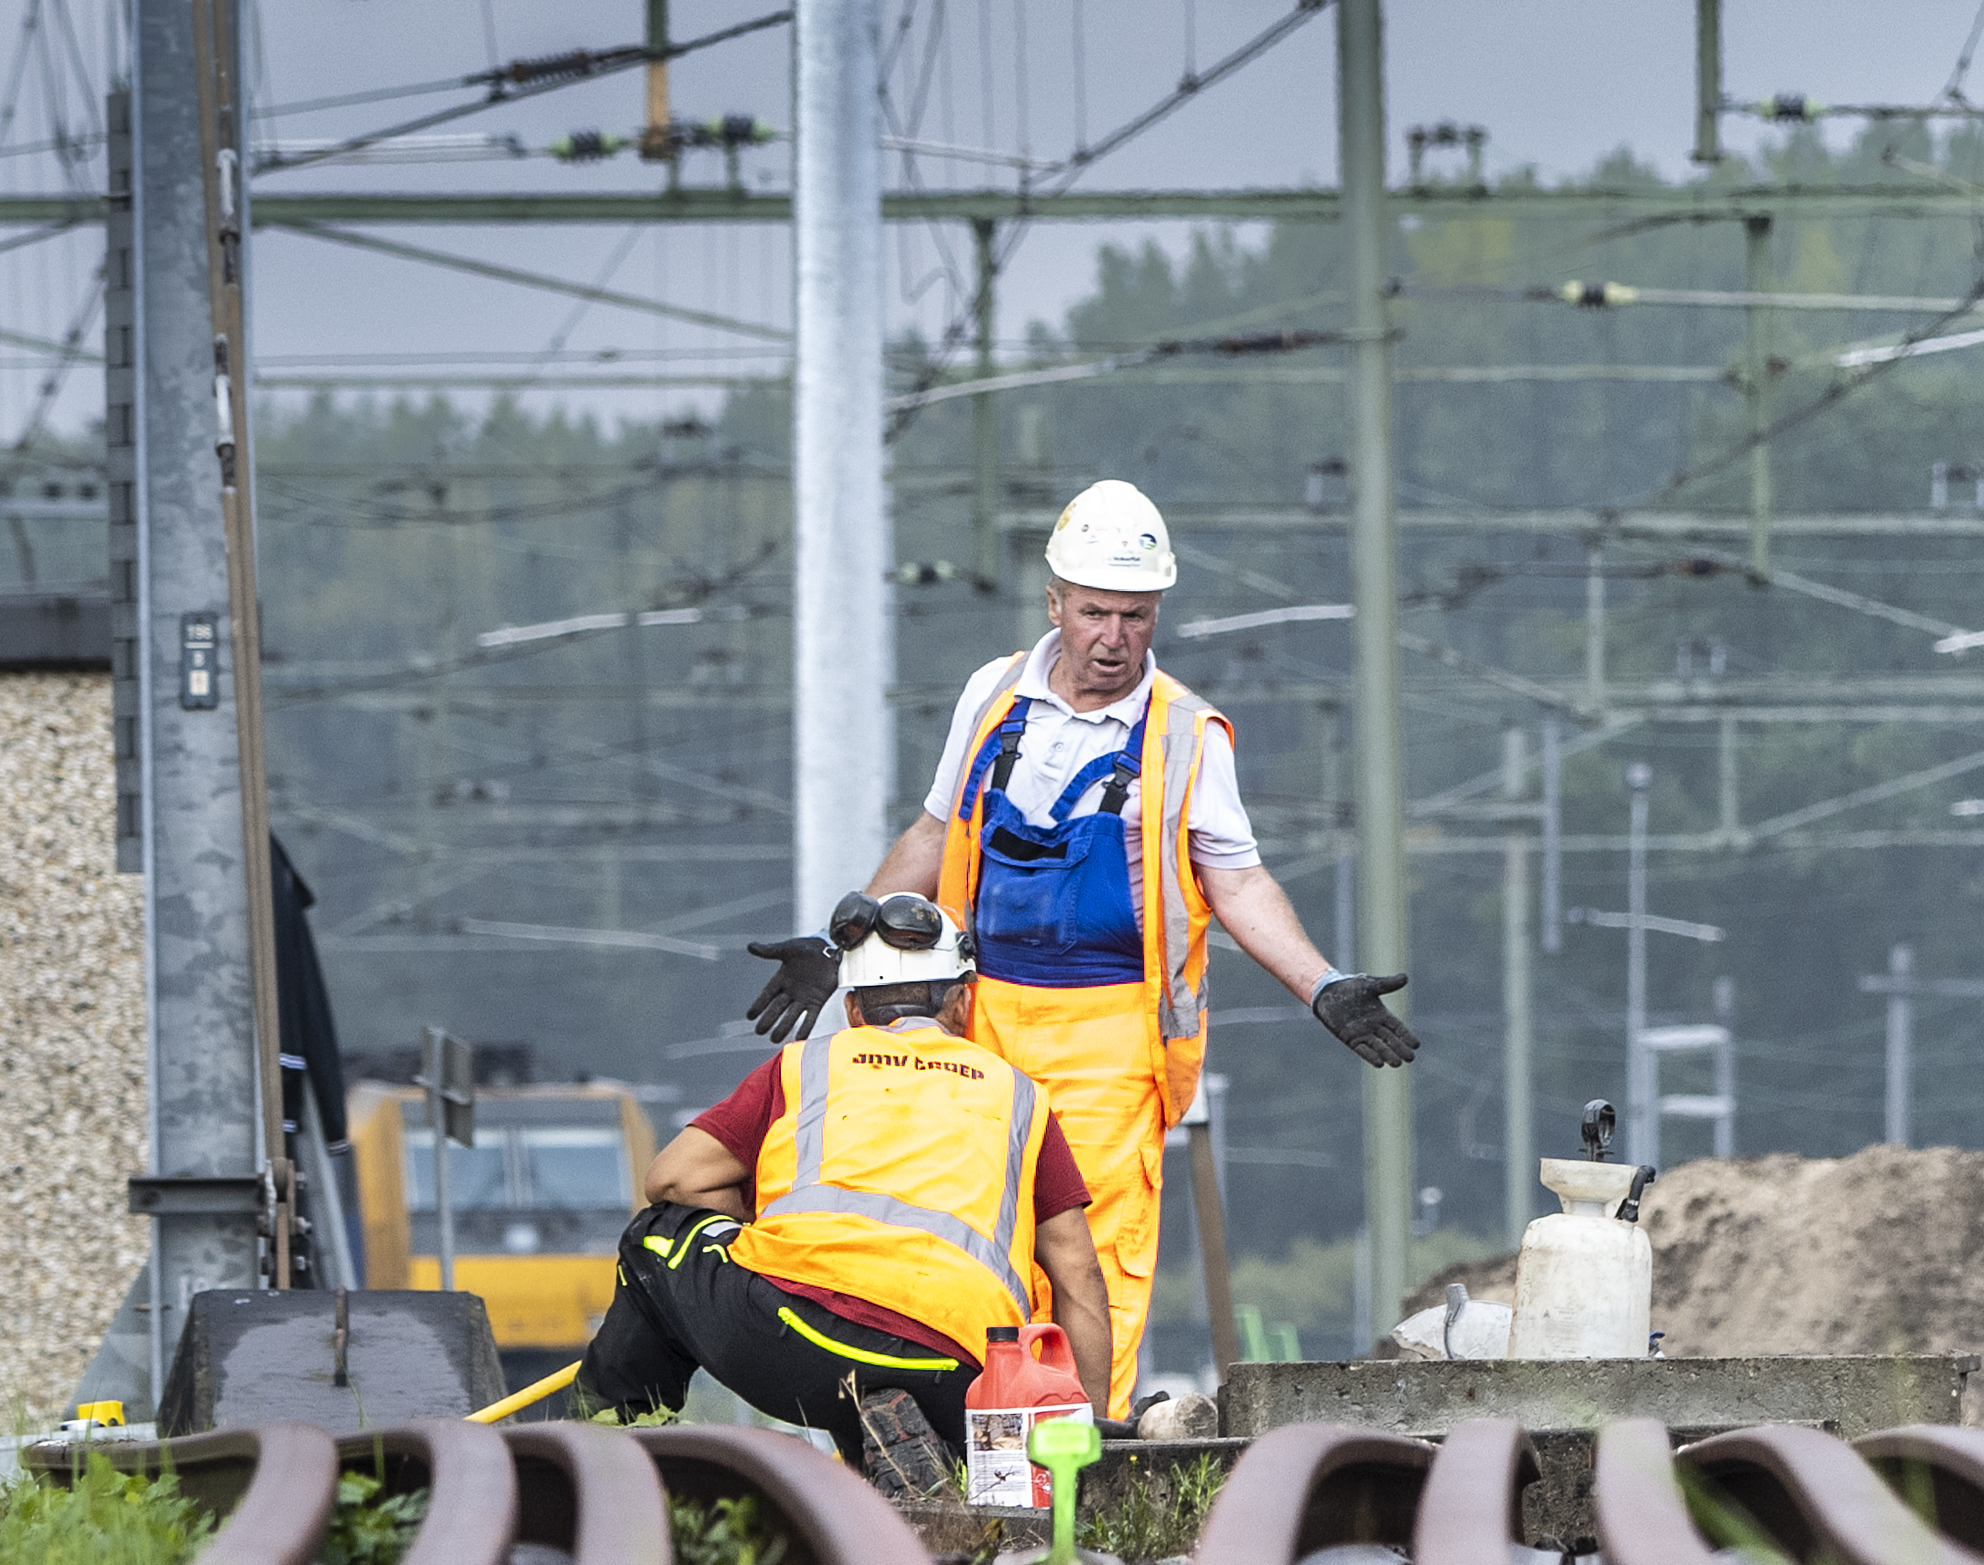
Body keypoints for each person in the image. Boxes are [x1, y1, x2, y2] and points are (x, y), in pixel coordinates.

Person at [746, 477, 1417, 1381]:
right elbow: (937, 832)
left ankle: (1076, 1462)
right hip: (972, 1018)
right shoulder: (992, 695)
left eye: (1136, 617)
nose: (1114, 639)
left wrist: (1320, 983)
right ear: (1054, 602)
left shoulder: (1185, 733)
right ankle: (963, 1446)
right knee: (966, 1233)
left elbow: (1236, 877)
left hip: (1109, 1035)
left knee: (1089, 1259)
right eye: (1096, 613)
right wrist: (845, 952)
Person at [591, 896, 1114, 1481]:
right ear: (962, 1001)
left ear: (853, 1009)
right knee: (955, 1487)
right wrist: (1087, 1441)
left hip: (798, 1335)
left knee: (656, 1237)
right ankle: (895, 1461)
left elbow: (670, 1179)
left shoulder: (806, 1065)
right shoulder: (1020, 1097)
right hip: (962, 1374)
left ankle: (612, 1448)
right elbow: (1080, 1281)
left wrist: (770, 1222)